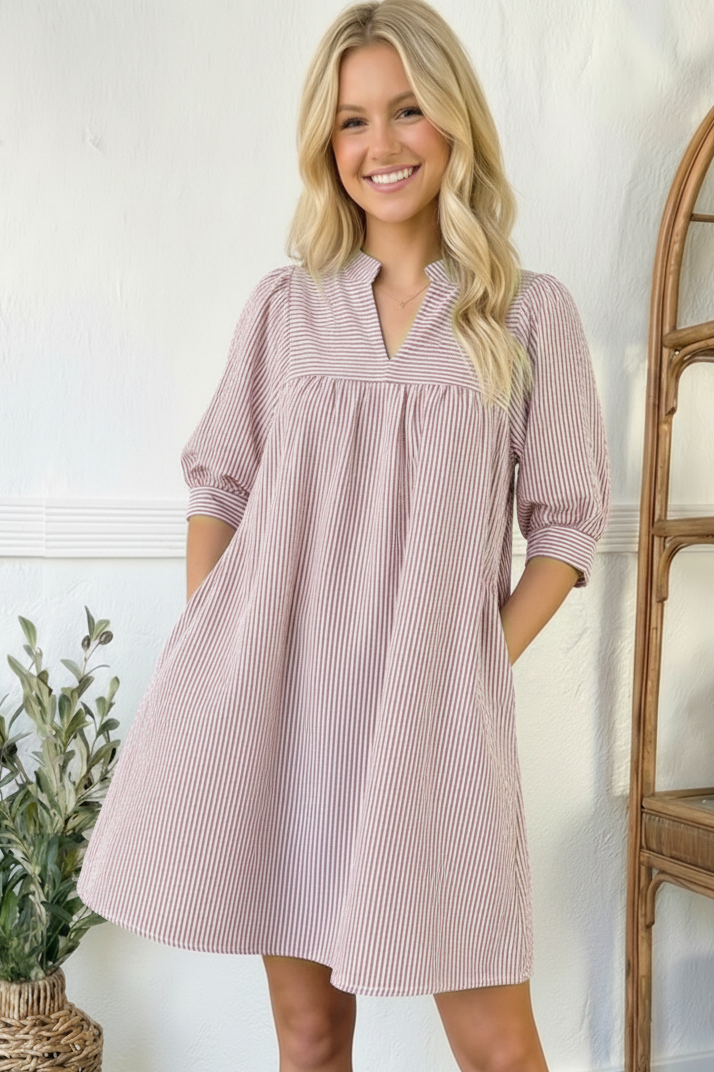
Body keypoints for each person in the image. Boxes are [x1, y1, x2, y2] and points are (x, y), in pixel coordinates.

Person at [78, 1, 611, 1069]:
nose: (381, 145)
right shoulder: (287, 308)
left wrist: (467, 664)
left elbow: (566, 527)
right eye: (353, 120)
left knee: (499, 1044)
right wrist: (225, 650)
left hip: (436, 728)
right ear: (328, 143)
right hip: (293, 719)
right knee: (310, 1031)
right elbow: (219, 481)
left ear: (454, 121)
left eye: (407, 110)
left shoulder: (524, 315)